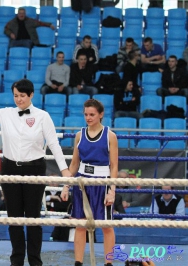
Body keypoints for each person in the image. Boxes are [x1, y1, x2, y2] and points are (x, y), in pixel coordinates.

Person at [0, 74, 72, 266]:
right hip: (9, 168)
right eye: (16, 95)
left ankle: (35, 261)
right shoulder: (6, 113)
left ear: (31, 95)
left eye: (22, 95)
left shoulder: (43, 116)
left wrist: (64, 169)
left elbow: (54, 144)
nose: (19, 99)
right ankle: (16, 260)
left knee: (33, 217)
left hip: (35, 169)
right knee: (13, 216)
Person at [61, 99, 118, 266]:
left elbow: (114, 166)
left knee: (106, 226)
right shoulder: (80, 135)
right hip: (81, 182)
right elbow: (73, 164)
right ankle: (78, 262)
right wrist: (66, 186)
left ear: (100, 115)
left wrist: (112, 191)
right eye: (86, 114)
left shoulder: (110, 136)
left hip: (102, 182)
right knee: (80, 224)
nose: (88, 117)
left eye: (92, 114)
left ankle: (109, 263)